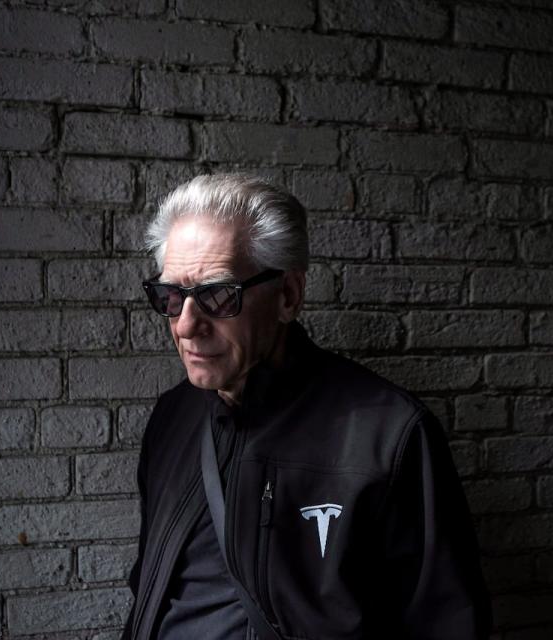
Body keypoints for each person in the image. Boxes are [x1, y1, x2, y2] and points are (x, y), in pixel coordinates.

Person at [121, 174, 491, 640]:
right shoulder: (172, 417)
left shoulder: (389, 437)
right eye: (171, 297)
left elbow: (446, 624)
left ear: (288, 296)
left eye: (218, 295)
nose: (187, 325)